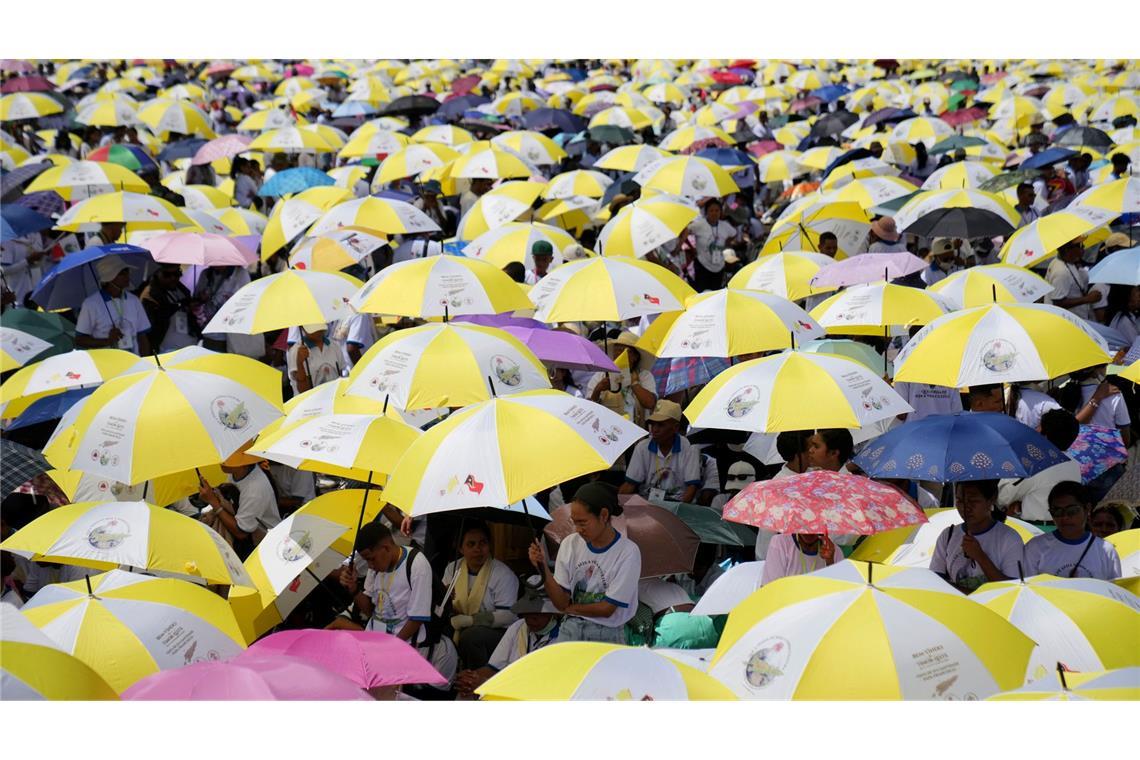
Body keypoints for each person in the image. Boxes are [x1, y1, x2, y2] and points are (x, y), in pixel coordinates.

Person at [331, 522, 459, 691]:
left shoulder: (416, 564)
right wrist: (354, 589)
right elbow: (370, 610)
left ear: (385, 548)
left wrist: (391, 648)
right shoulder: (376, 566)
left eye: (370, 558)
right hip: (376, 644)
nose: (369, 565)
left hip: (404, 649)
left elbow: (417, 619)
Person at [527, 482, 641, 643]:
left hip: (608, 633)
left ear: (603, 515)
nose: (578, 529)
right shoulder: (569, 543)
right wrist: (542, 567)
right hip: (570, 628)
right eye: (575, 522)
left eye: (583, 522)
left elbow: (607, 609)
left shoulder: (628, 551)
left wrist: (570, 609)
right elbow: (560, 602)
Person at [454, 588, 561, 699]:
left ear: (552, 613)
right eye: (527, 615)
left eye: (536, 616)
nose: (530, 621)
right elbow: (493, 668)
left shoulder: (565, 637)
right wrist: (470, 678)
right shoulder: (518, 627)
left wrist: (486, 684)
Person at [441, 522, 519, 669]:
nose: (478, 549)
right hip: (458, 623)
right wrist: (445, 599)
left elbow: (509, 616)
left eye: (483, 543)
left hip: (497, 631)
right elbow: (442, 606)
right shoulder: (452, 569)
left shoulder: (503, 574)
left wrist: (471, 620)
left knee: (471, 636)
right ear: (460, 548)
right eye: (471, 544)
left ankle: (476, 679)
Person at [929, 480, 1025, 593]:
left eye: (973, 501)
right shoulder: (948, 535)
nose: (965, 507)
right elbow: (935, 581)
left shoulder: (1009, 538)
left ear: (991, 499)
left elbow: (1013, 590)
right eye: (960, 500)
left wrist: (980, 556)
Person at [998, 409, 1083, 524]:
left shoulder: (1037, 462)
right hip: (1064, 527)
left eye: (1038, 427)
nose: (1035, 430)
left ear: (1045, 435)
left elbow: (1002, 497)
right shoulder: (1074, 464)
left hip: (1036, 530)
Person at [1024, 482, 1122, 580]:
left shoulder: (1107, 552)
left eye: (1072, 510)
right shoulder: (1035, 548)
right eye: (1057, 511)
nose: (1065, 517)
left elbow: (1114, 592)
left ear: (1087, 509)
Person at [620, 400, 703, 504]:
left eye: (660, 425)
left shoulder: (689, 448)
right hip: (648, 505)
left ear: (675, 427)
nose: (654, 430)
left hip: (678, 505)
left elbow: (692, 488)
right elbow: (629, 485)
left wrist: (677, 511)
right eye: (652, 424)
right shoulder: (642, 448)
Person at [197, 457, 281, 559]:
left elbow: (241, 532)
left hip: (261, 546)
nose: (222, 460)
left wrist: (213, 502)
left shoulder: (255, 489)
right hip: (246, 539)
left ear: (244, 462)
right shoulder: (237, 472)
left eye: (228, 457)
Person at [75, 255, 152, 356]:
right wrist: (107, 341)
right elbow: (80, 339)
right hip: (106, 365)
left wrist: (146, 362)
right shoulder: (91, 304)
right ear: (109, 278)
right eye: (122, 273)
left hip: (134, 363)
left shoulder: (134, 300)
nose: (127, 276)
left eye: (127, 271)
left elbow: (142, 336)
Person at [586, 331, 657, 426]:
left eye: (625, 350)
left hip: (637, 430)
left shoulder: (644, 376)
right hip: (608, 430)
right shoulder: (601, 375)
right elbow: (589, 407)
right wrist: (598, 389)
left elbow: (650, 403)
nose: (619, 353)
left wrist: (635, 383)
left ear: (635, 356)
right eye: (617, 349)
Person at [140, 263, 196, 352]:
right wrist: (178, 305)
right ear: (157, 273)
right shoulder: (150, 295)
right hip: (165, 351)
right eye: (167, 275)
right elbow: (152, 324)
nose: (172, 278)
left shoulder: (182, 290)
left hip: (190, 346)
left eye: (177, 274)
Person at [1045, 237, 1100, 321]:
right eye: (1079, 245)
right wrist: (1087, 299)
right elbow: (1058, 303)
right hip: (1066, 322)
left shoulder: (1065, 262)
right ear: (1068, 250)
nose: (1083, 247)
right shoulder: (1061, 272)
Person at [760, 532, 840, 585]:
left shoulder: (834, 551)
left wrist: (830, 562)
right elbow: (770, 589)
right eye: (804, 524)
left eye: (813, 526)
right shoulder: (780, 543)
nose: (809, 531)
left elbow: (840, 592)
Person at [287, 323, 343, 395]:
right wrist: (299, 363)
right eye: (314, 330)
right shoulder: (295, 351)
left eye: (320, 328)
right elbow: (302, 390)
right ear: (302, 328)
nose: (319, 332)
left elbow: (340, 376)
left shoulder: (334, 346)